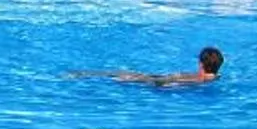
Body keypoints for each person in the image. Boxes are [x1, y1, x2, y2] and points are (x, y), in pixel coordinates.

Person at [69, 47, 225, 87]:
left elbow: (168, 84)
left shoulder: (198, 79)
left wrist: (157, 83)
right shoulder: (216, 78)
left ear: (201, 64)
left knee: (120, 75)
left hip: (156, 82)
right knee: (121, 74)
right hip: (160, 80)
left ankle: (82, 75)